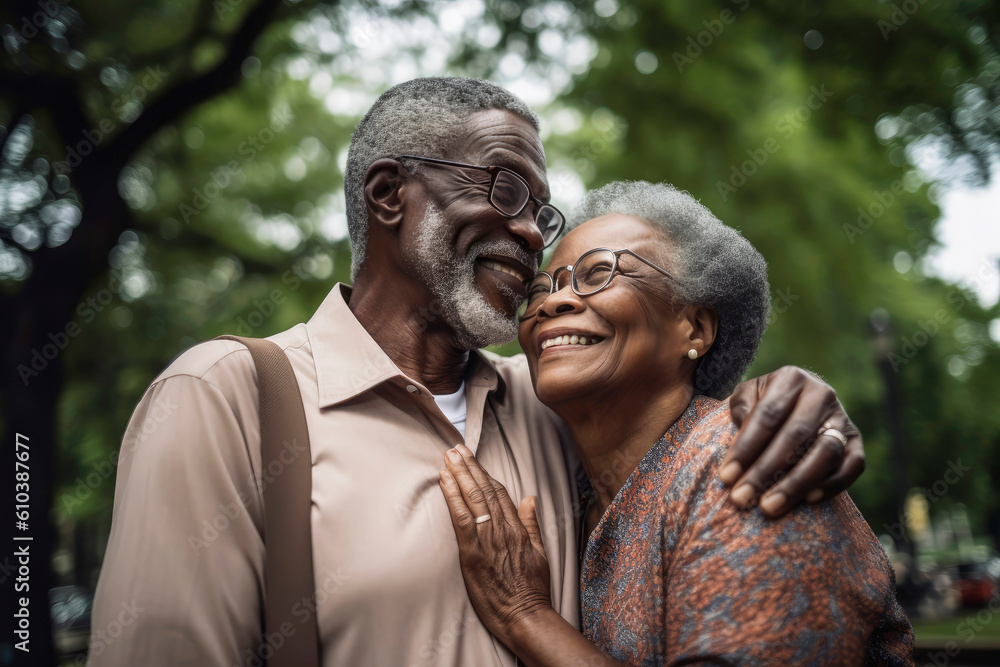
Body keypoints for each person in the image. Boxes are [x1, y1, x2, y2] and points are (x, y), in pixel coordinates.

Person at [90, 79, 868, 667]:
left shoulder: (554, 399)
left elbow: (673, 413)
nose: (532, 233)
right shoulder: (228, 398)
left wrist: (789, 396)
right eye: (504, 187)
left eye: (543, 211)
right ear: (390, 194)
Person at [438, 180, 914, 666]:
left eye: (599, 272)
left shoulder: (746, 466)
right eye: (542, 288)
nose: (551, 304)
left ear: (696, 329)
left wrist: (526, 616)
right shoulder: (580, 488)